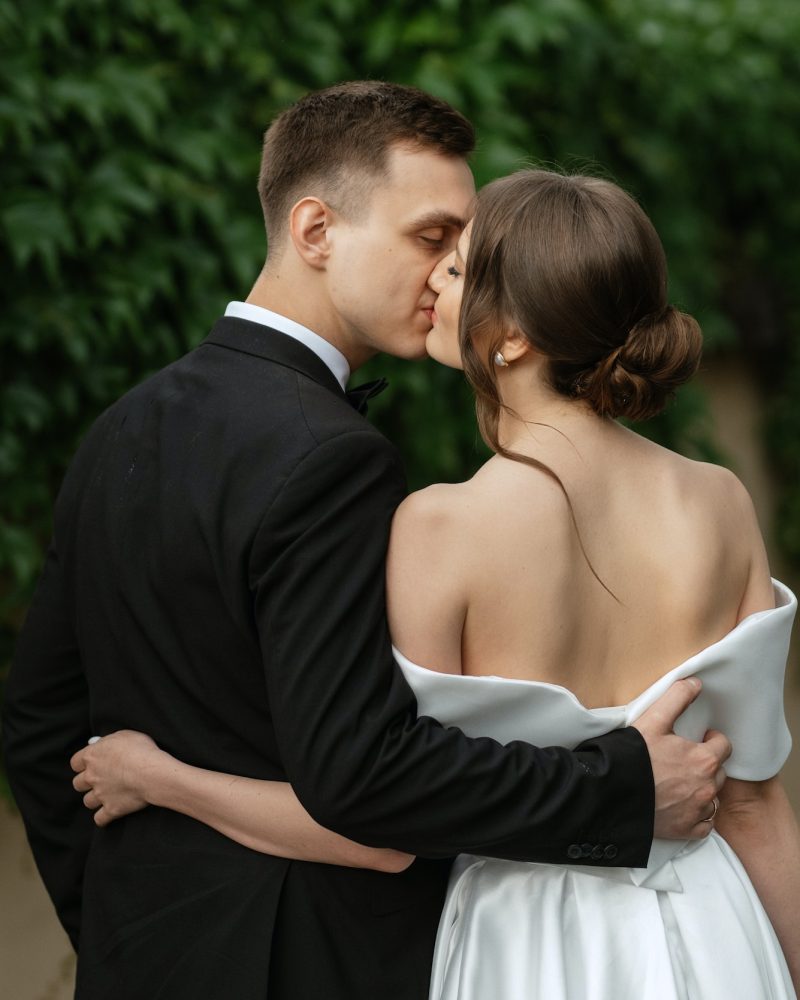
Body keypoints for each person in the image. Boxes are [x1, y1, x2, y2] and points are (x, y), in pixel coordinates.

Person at [3, 83, 727, 1000]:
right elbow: (368, 774)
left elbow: (37, 726)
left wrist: (118, 924)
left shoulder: (120, 426)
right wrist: (619, 790)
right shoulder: (333, 459)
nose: (445, 278)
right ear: (314, 231)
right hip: (310, 962)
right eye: (432, 239)